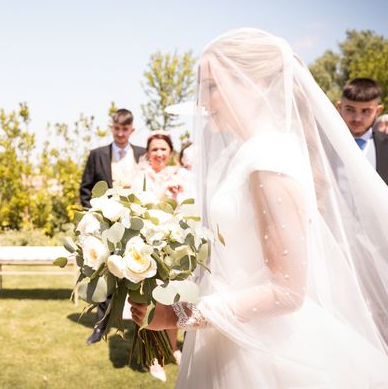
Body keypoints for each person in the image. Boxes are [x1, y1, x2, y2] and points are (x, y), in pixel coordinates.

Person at [130, 28, 388, 388]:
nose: (202, 100)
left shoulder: (268, 157)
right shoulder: (240, 155)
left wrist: (176, 314)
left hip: (262, 350)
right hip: (228, 334)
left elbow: (286, 291)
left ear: (253, 85)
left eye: (212, 86)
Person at [80, 108, 145, 344]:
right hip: (106, 226)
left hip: (137, 225)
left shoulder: (143, 154)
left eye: (125, 129)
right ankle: (100, 326)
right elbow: (85, 190)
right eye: (117, 128)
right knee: (105, 273)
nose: (120, 133)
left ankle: (141, 328)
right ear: (112, 128)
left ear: (132, 130)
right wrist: (96, 217)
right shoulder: (97, 154)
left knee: (139, 274)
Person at [131, 131, 183, 381]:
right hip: (146, 245)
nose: (159, 153)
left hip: (175, 245)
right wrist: (163, 193)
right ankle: (154, 358)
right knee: (149, 301)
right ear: (147, 153)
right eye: (154, 149)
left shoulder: (181, 175)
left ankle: (174, 348)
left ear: (170, 152)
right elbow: (139, 208)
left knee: (173, 298)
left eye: (163, 149)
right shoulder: (140, 177)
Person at [336, 78, 388, 184]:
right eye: (350, 109)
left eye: (366, 111)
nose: (357, 118)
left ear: (378, 111)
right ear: (339, 107)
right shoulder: (324, 144)